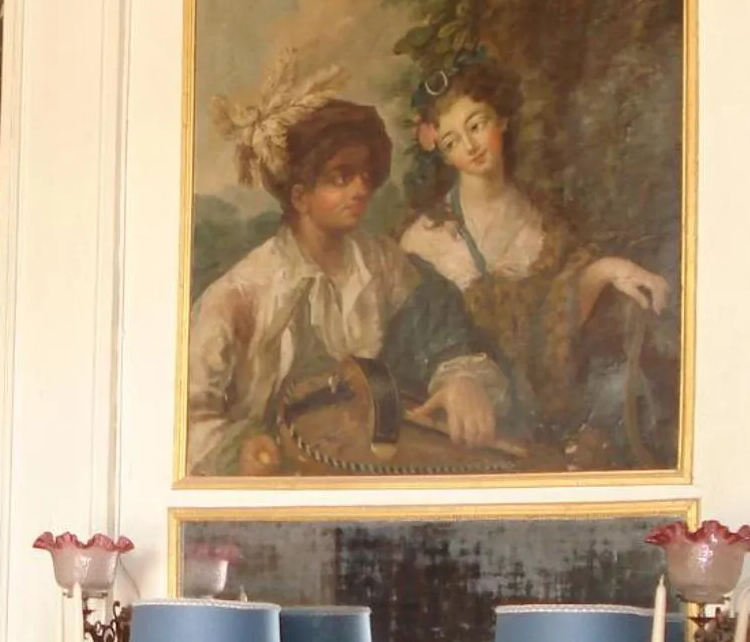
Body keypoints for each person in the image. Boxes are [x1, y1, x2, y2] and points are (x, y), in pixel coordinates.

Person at [379, 53, 673, 466]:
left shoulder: (542, 221)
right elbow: (414, 346)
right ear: (442, 154)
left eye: (477, 125)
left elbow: (561, 313)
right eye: (452, 141)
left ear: (502, 120)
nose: (470, 146)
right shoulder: (423, 238)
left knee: (626, 388)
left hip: (549, 394)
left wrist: (606, 270)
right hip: (475, 411)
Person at [187, 61, 421, 476]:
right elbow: (188, 413)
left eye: (365, 176)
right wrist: (239, 451)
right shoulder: (239, 294)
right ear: (300, 196)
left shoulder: (381, 262)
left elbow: (432, 328)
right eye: (341, 177)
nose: (361, 189)